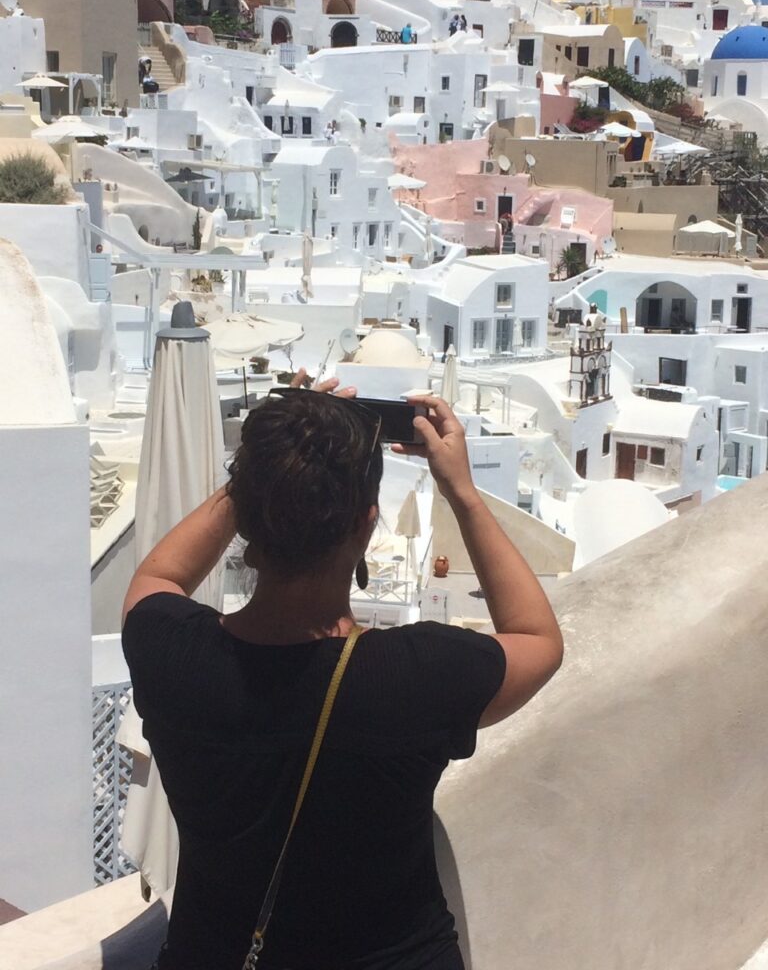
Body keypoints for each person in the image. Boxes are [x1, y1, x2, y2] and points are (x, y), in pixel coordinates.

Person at [122, 381, 563, 970]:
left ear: (248, 513)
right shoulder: (418, 675)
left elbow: (159, 577)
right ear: (365, 525)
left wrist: (270, 463)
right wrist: (461, 491)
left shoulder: (170, 653)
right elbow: (538, 638)